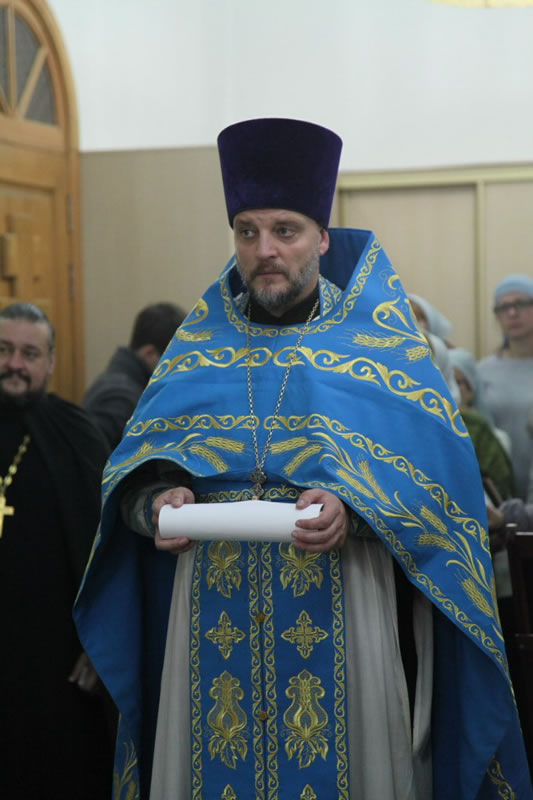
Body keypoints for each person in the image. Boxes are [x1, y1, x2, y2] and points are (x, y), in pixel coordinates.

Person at [74, 119, 532, 799]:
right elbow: (134, 480)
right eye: (247, 231)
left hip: (343, 617)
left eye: (284, 230)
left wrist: (357, 511)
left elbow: (441, 498)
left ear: (320, 237)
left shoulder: (379, 350)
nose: (264, 250)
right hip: (210, 632)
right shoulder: (195, 350)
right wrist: (155, 508)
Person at [0, 302, 113, 799]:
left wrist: (101, 643)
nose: (14, 364)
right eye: (3, 350)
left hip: (54, 663)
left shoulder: (77, 436)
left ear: (50, 362)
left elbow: (110, 551)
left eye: (29, 354)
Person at [83, 301, 186, 449]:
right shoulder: (119, 399)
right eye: (175, 361)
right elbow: (92, 455)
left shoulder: (123, 387)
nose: (180, 370)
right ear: (149, 354)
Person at [478, 275, 533, 500]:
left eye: (520, 303)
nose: (512, 313)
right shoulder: (481, 372)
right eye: (503, 307)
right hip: (498, 492)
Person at [449, 346, 514, 501]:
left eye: (457, 382)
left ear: (471, 389)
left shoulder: (492, 436)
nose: (451, 390)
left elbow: (501, 491)